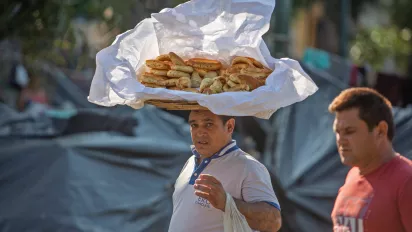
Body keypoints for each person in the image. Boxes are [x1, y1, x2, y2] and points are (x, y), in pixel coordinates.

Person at [168, 110, 282, 232]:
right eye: (194, 125)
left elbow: (273, 223)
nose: (199, 132)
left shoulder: (249, 166)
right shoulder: (191, 161)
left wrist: (227, 202)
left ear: (229, 126)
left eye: (208, 124)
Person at [329, 87, 412, 232]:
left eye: (349, 131)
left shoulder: (406, 180)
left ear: (380, 130)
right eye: (337, 132)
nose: (340, 140)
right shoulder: (353, 175)